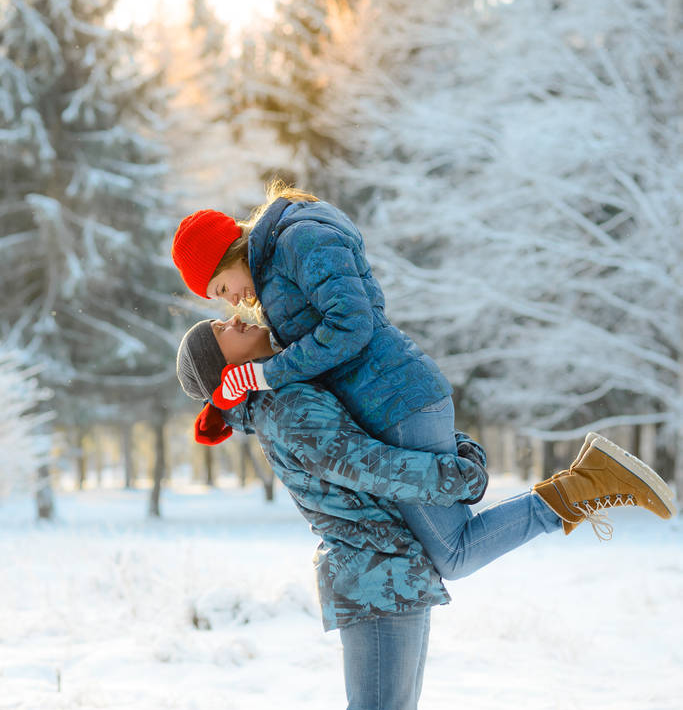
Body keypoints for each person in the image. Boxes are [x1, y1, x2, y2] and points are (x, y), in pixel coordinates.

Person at [175, 316, 674, 710]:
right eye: (220, 330)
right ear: (228, 369)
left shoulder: (284, 395)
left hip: (383, 568)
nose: (231, 318)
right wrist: (460, 474)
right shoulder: (287, 408)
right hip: (375, 574)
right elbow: (373, 466)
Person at [170, 183, 675, 565]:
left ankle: (589, 483)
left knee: (453, 553)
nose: (233, 302)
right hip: (390, 400)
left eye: (220, 288)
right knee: (451, 551)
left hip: (397, 399)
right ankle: (585, 483)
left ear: (226, 254)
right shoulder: (280, 265)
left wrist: (268, 374)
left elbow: (353, 325)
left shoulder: (299, 240)